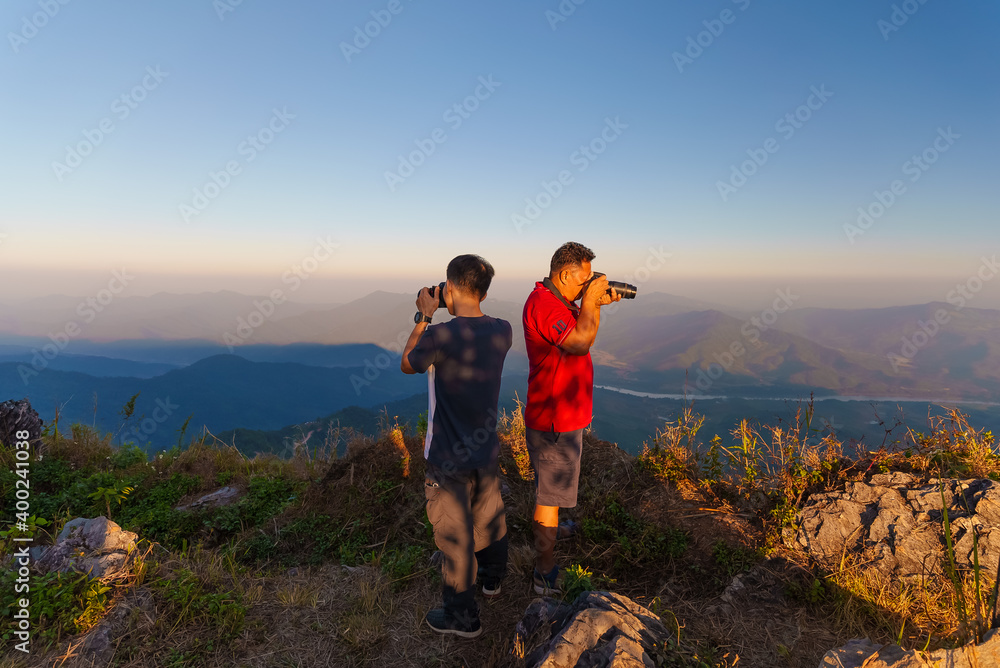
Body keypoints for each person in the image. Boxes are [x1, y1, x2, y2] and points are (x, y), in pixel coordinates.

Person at [401, 254, 512, 638]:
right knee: (489, 516)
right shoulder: (503, 330)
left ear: (449, 288)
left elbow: (408, 363)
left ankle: (462, 618)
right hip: (485, 452)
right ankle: (493, 580)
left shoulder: (439, 335)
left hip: (447, 457)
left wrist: (425, 316)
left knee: (454, 535)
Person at [521, 241, 621, 594]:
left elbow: (576, 330)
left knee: (552, 488)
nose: (587, 285)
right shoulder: (545, 305)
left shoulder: (558, 301)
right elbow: (579, 342)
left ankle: (554, 525)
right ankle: (544, 574)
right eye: (584, 280)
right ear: (565, 274)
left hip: (561, 416)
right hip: (554, 421)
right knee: (548, 496)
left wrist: (591, 303)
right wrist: (590, 303)